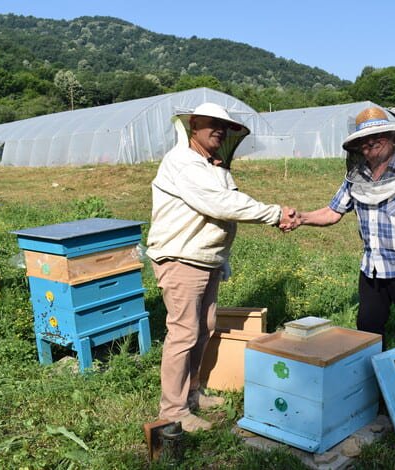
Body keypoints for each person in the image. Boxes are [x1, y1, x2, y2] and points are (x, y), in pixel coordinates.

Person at [147, 102, 296, 432]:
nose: (218, 130)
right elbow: (220, 204)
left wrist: (221, 260)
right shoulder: (184, 162)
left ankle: (192, 394)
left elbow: (220, 214)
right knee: (183, 334)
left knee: (204, 328)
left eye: (223, 126)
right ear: (194, 125)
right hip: (181, 259)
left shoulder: (210, 166)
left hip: (204, 259)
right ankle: (173, 411)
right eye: (211, 123)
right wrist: (275, 214)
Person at [284, 107, 395, 346]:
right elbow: (332, 212)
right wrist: (301, 218)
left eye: (377, 136)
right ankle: (372, 376)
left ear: (393, 138)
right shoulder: (356, 178)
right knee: (367, 327)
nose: (370, 143)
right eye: (364, 140)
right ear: (357, 146)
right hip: (374, 266)